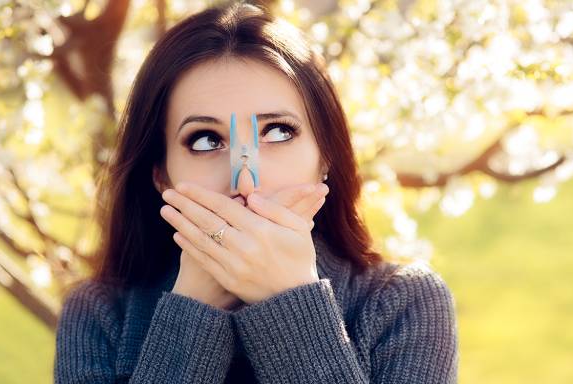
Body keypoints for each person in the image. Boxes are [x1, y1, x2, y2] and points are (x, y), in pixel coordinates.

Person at [54, 2, 458, 383]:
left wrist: (291, 302)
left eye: (278, 132)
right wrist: (191, 311)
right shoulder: (100, 313)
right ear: (161, 175)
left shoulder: (404, 303)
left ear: (326, 156)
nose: (245, 182)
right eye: (205, 140)